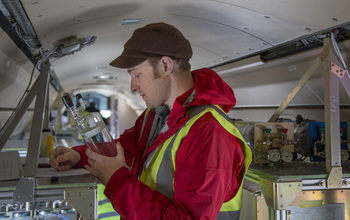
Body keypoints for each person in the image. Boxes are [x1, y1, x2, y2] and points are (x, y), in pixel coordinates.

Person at [49, 22, 252, 219]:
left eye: (137, 75)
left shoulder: (209, 132)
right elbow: (125, 149)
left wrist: (117, 180)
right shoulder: (156, 114)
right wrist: (79, 156)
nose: (132, 86)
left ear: (165, 66)